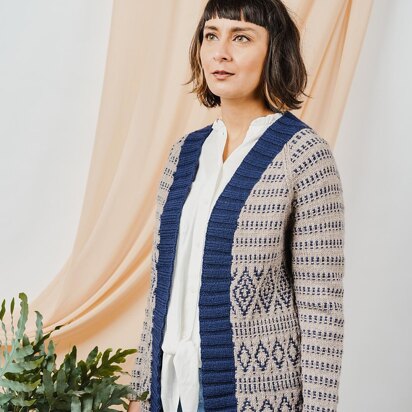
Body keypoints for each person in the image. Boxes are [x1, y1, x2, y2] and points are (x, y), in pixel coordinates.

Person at [128, 0, 345, 411]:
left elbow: (322, 309)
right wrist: (139, 392)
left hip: (257, 395)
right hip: (170, 389)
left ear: (274, 50)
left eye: (241, 38)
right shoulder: (183, 154)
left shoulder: (304, 156)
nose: (220, 53)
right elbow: (161, 289)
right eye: (211, 36)